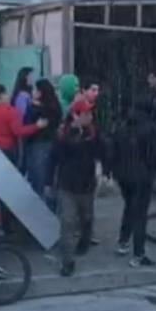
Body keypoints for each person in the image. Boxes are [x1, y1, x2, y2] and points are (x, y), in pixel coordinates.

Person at [52, 100, 106, 277]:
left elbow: (100, 152)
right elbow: (56, 157)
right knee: (67, 222)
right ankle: (67, 261)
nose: (90, 117)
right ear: (76, 115)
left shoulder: (93, 132)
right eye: (86, 114)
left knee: (87, 217)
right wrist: (48, 182)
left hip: (86, 184)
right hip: (67, 184)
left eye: (90, 114)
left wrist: (103, 170)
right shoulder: (63, 133)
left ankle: (84, 241)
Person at [111, 103, 156, 266]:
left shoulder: (121, 128)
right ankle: (138, 255)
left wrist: (112, 172)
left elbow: (113, 152)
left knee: (129, 207)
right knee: (140, 214)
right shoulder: (151, 129)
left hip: (123, 176)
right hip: (142, 176)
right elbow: (155, 155)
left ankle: (123, 241)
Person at [0, 84, 45, 165]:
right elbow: (18, 131)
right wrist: (37, 126)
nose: (9, 96)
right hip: (5, 150)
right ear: (1, 95)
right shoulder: (9, 111)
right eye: (6, 94)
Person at [23, 79, 63, 210]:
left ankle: (43, 210)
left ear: (41, 93)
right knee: (47, 179)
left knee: (40, 179)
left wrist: (33, 107)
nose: (32, 93)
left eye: (35, 90)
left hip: (39, 145)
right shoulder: (53, 106)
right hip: (47, 144)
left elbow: (28, 122)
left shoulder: (38, 108)